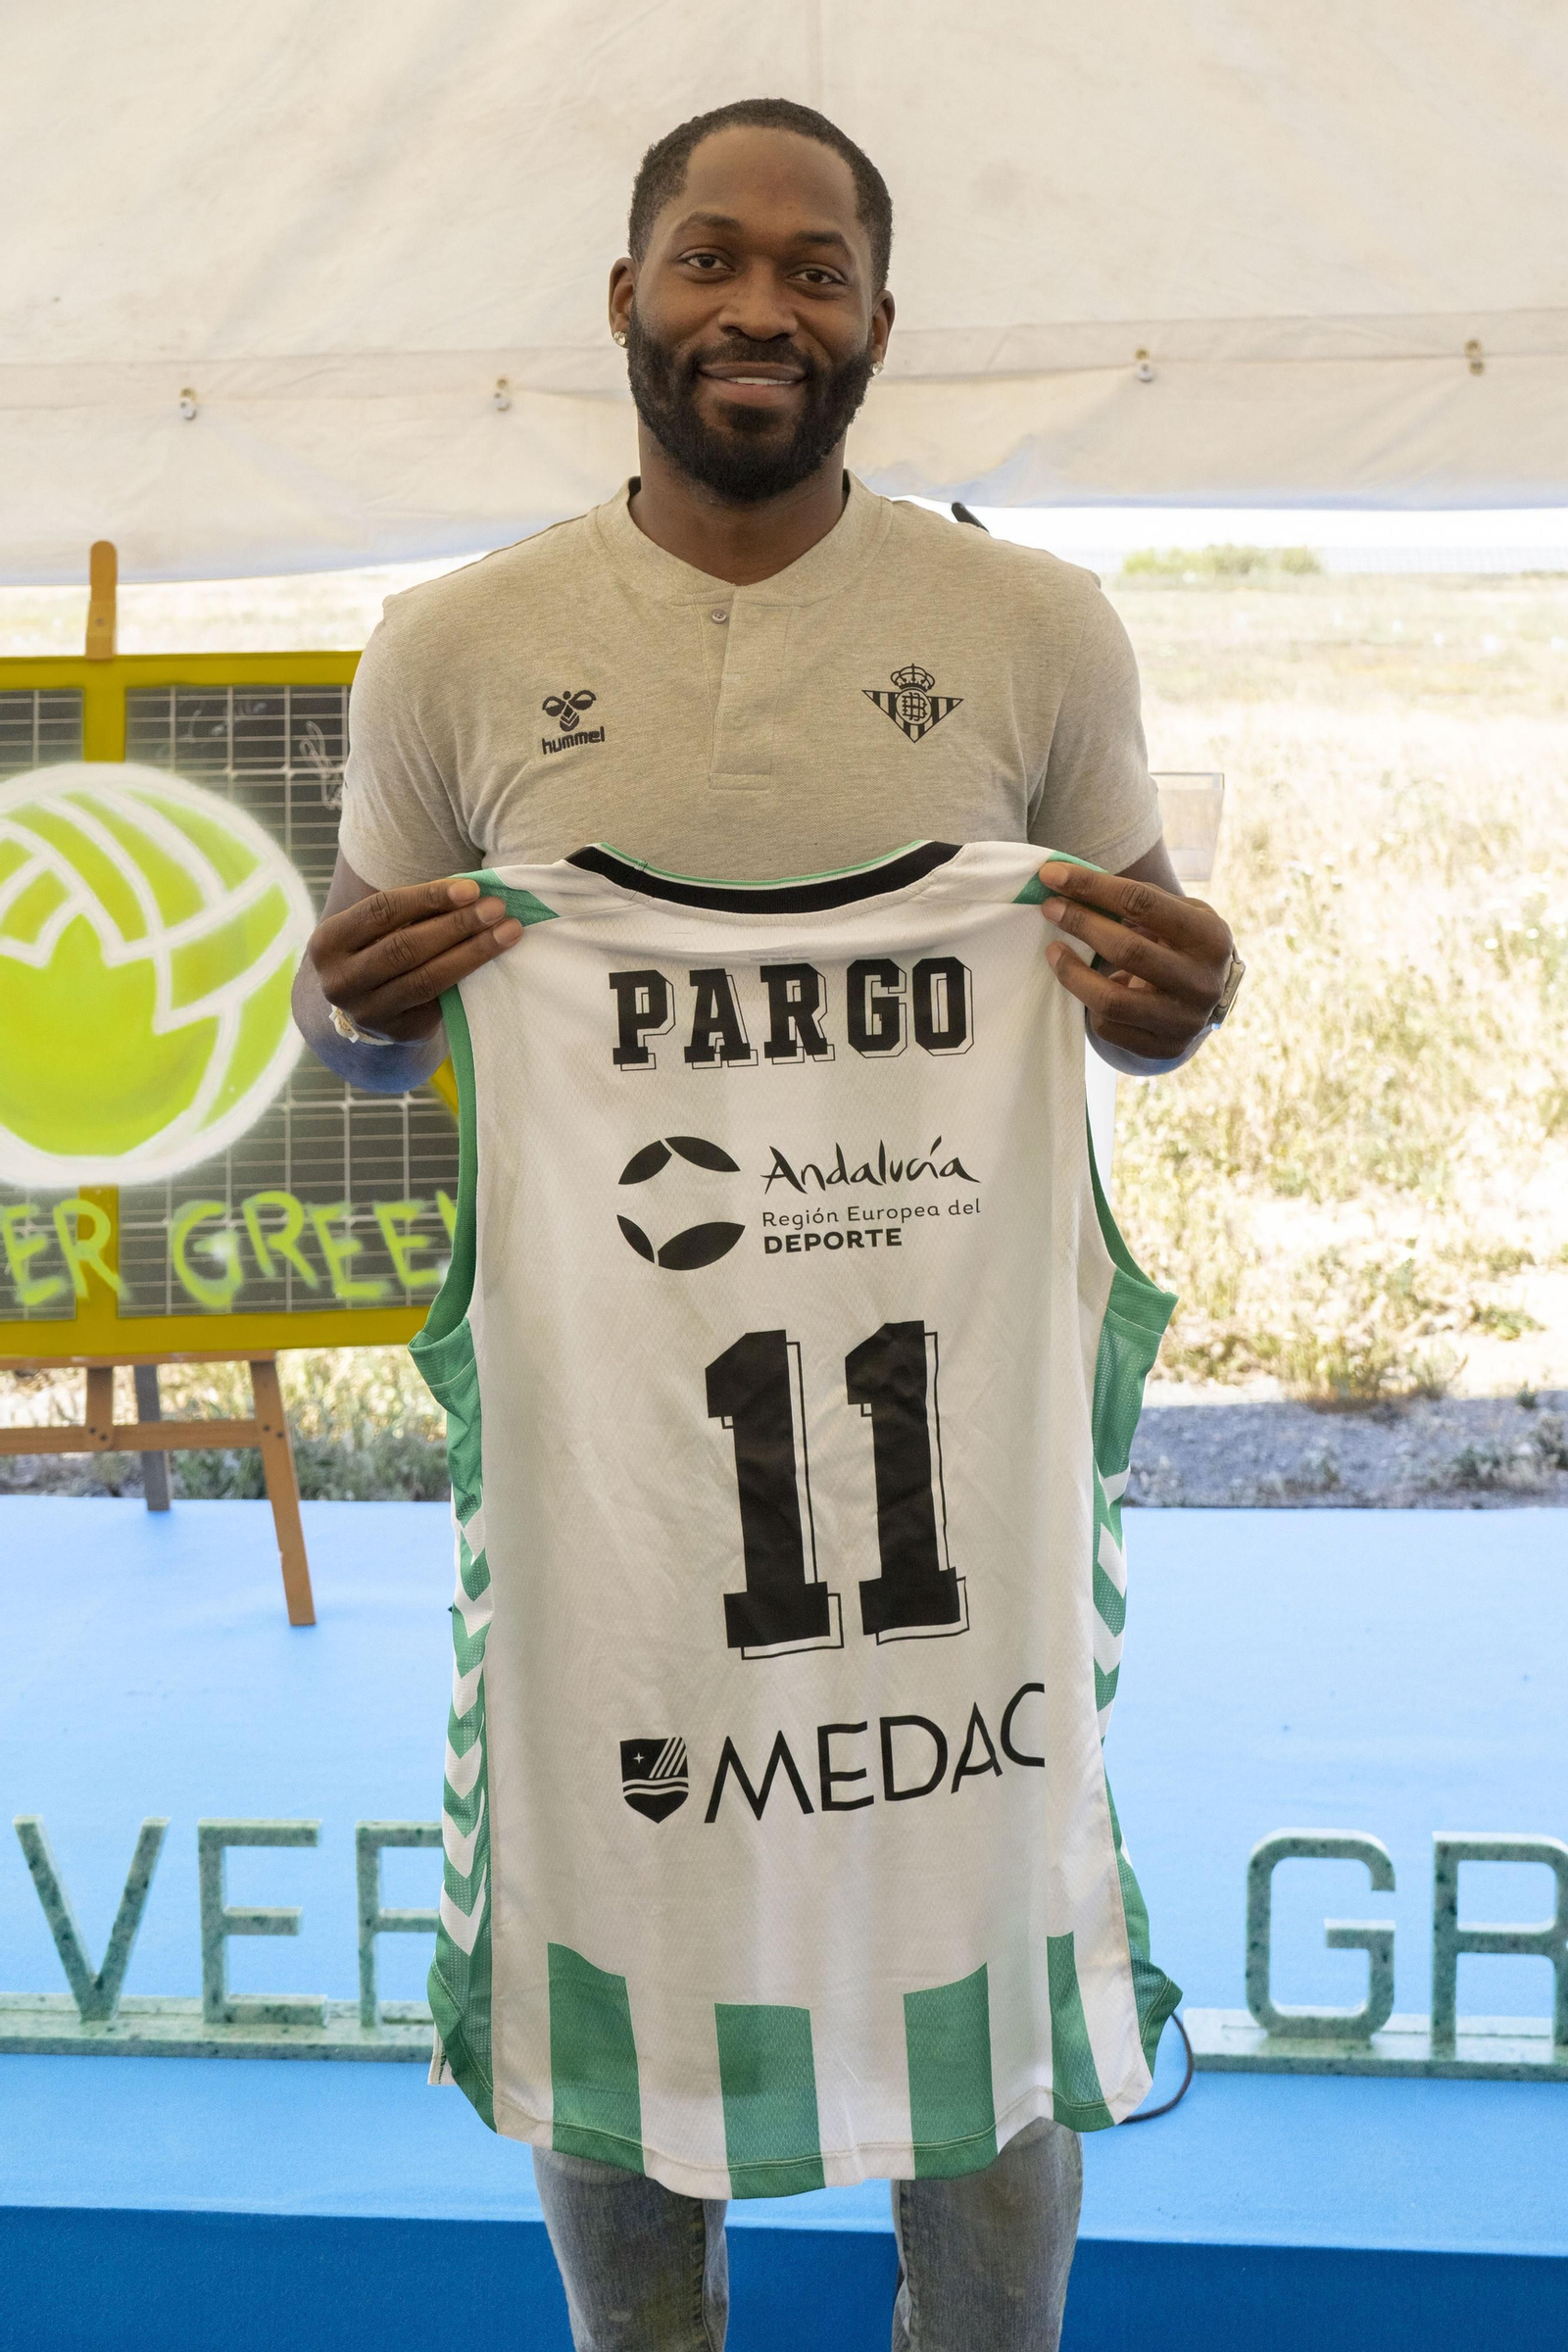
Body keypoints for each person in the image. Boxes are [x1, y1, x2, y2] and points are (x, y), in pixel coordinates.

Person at [293, 95, 1238, 2352]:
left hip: (947, 1518)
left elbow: (1132, 995)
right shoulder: (452, 646)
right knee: (620, 1974)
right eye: (711, 258)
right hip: (612, 1503)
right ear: (623, 296)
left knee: (973, 1969)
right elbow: (364, 1031)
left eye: (815, 273)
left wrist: (1177, 1008)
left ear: (877, 324)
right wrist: (347, 1016)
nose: (759, 308)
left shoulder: (1028, 629)